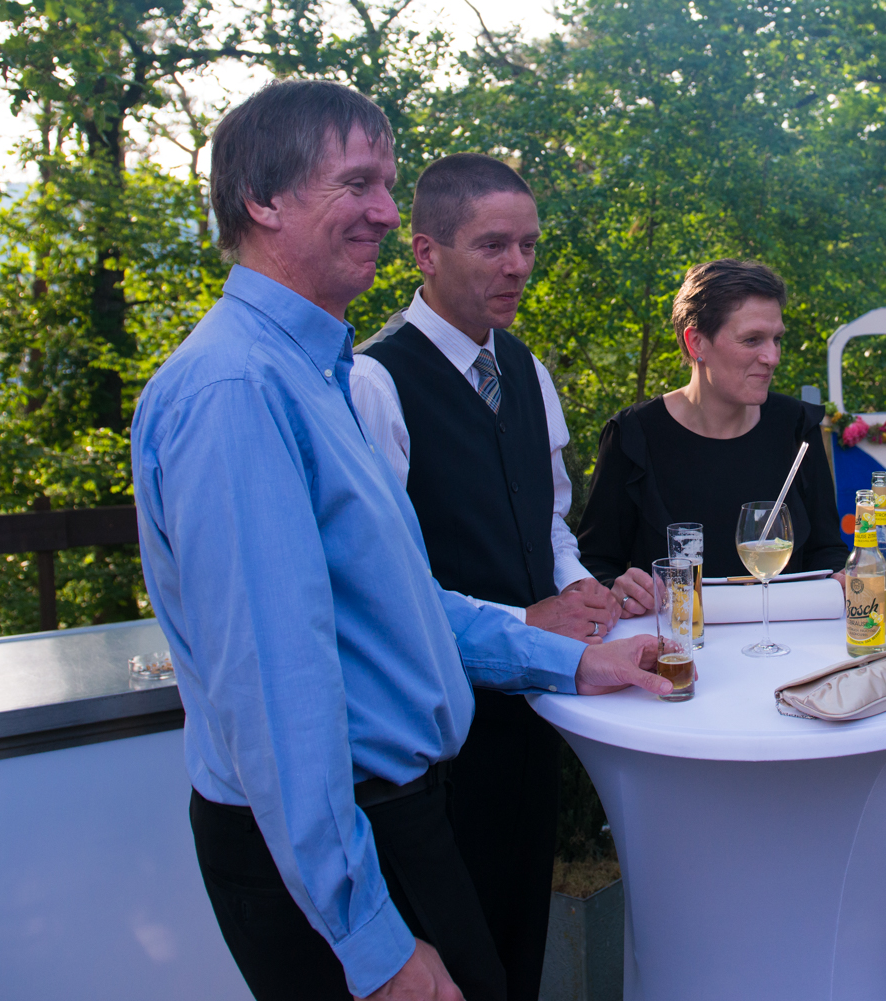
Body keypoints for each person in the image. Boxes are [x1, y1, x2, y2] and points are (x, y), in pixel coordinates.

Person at [131, 80, 672, 1001]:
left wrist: (573, 662)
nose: (387, 211)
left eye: (386, 184)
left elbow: (395, 607)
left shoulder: (313, 374)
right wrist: (370, 940)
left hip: (391, 816)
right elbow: (276, 686)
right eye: (358, 184)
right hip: (333, 843)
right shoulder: (237, 390)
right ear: (262, 200)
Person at [346, 153, 646, 1001]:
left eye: (528, 245)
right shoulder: (373, 382)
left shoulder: (525, 367)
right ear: (425, 251)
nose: (517, 266)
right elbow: (384, 582)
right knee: (458, 961)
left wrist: (574, 581)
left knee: (520, 947)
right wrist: (525, 619)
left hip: (533, 714)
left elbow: (549, 515)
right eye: (492, 246)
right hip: (434, 738)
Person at [577, 258, 847, 593]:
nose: (773, 357)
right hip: (678, 627)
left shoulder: (795, 426)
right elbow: (597, 563)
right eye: (752, 340)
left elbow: (827, 550)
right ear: (697, 343)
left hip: (782, 628)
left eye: (776, 339)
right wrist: (618, 589)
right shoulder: (633, 437)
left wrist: (837, 580)